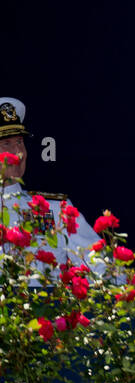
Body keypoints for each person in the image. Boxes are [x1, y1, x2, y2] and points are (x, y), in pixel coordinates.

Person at [0, 96, 99, 272]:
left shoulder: (55, 210)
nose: (18, 152)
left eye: (20, 142)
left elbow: (107, 273)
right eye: (6, 143)